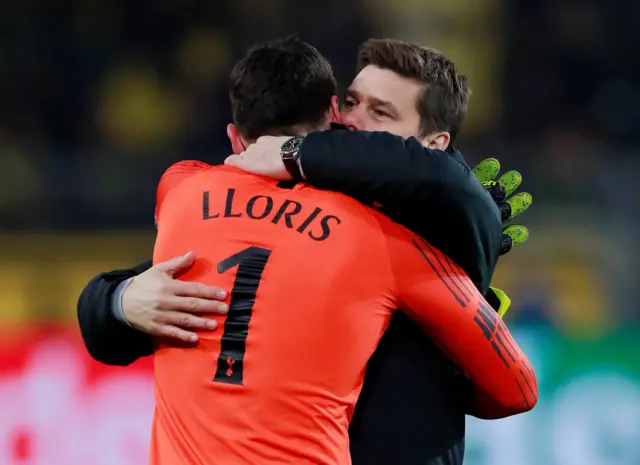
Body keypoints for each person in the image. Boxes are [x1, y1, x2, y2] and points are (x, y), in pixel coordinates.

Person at [77, 37, 531, 465]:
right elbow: (196, 282)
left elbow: (446, 186)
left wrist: (298, 149)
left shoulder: (445, 211)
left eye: (381, 113)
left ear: (434, 146)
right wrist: (120, 300)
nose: (352, 122)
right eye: (351, 103)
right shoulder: (332, 214)